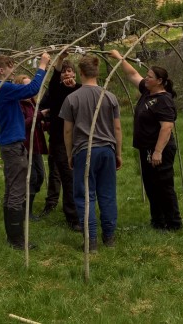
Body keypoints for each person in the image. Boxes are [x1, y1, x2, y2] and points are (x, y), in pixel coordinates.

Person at [109, 49, 182, 231]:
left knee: (163, 186)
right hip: (146, 148)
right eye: (147, 76)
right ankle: (158, 221)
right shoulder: (148, 92)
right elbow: (132, 74)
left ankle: (173, 223)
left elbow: (167, 127)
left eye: (150, 77)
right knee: (151, 185)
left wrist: (157, 151)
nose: (146, 79)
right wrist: (120, 58)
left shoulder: (163, 100)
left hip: (159, 149)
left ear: (160, 81)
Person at [59, 54, 123, 252]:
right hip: (107, 151)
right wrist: (118, 153)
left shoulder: (72, 98)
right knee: (107, 194)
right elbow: (117, 129)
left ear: (80, 73)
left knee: (85, 196)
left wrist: (70, 154)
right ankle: (109, 237)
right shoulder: (109, 97)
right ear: (97, 73)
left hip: (84, 151)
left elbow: (68, 131)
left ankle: (91, 240)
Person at [0, 52, 50, 250]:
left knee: (11, 189)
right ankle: (17, 240)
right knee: (16, 191)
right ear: (2, 70)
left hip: (11, 143)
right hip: (13, 145)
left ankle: (12, 237)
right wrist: (42, 65)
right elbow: (32, 88)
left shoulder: (0, 88)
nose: (13, 70)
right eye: (10, 67)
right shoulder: (3, 87)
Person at [38, 53, 83, 231]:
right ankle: (72, 217)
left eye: (69, 71)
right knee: (66, 176)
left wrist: (75, 87)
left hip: (78, 138)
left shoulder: (80, 89)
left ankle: (74, 211)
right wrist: (58, 61)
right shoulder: (55, 89)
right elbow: (54, 78)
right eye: (63, 72)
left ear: (75, 74)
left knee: (74, 177)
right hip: (58, 139)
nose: (66, 75)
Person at [15, 74, 48, 222]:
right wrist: (40, 115)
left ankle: (26, 206)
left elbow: (37, 123)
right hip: (26, 146)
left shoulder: (33, 102)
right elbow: (23, 124)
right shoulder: (18, 105)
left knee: (40, 175)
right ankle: (26, 211)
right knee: (32, 177)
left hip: (36, 146)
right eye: (26, 86)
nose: (30, 89)